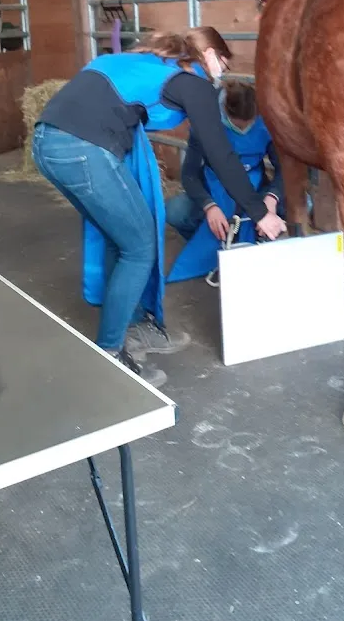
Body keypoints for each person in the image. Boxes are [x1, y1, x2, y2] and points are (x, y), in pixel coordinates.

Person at [32, 27, 286, 385]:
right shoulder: (189, 83)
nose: (222, 73)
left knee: (117, 238)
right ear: (210, 54)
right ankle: (111, 355)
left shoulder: (139, 63)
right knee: (139, 248)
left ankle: (133, 326)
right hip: (83, 151)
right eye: (223, 63)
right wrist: (262, 213)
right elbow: (220, 153)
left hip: (48, 143)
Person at [166, 81, 285, 287]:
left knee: (304, 203)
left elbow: (285, 170)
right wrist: (208, 206)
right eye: (238, 125)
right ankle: (213, 246)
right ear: (225, 113)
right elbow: (189, 175)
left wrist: (272, 197)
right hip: (215, 187)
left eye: (249, 124)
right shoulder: (207, 125)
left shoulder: (267, 123)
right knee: (174, 211)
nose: (244, 130)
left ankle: (260, 242)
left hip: (255, 186)